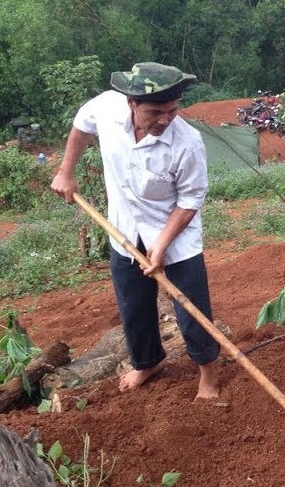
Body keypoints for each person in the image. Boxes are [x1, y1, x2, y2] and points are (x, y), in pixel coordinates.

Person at [50, 62, 220, 399]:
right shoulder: (106, 108)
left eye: (172, 110)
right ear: (131, 103)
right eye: (155, 111)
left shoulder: (188, 143)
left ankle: (209, 375)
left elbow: (189, 202)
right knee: (134, 305)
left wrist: (160, 247)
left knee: (191, 308)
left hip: (175, 238)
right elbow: (81, 126)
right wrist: (66, 171)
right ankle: (148, 362)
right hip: (124, 231)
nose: (165, 119)